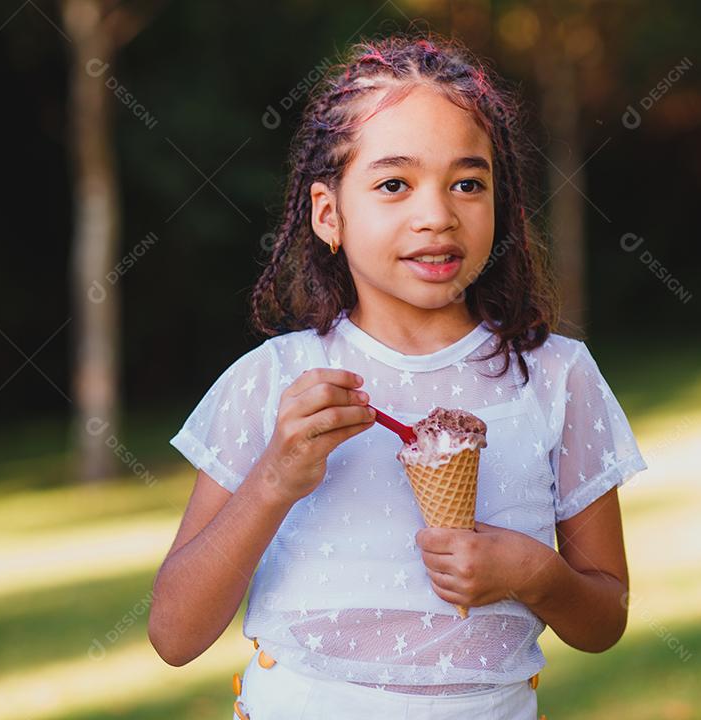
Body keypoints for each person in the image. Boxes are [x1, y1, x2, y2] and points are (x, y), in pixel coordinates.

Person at [148, 30, 648, 720]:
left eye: (467, 183)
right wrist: (273, 480)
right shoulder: (272, 382)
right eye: (393, 184)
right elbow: (174, 635)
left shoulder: (559, 377)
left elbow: (604, 618)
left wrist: (536, 574)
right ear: (330, 214)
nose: (436, 215)